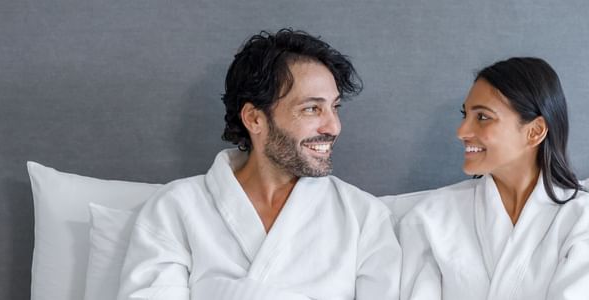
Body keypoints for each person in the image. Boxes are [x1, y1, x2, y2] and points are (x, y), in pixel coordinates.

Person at [117, 29, 400, 300]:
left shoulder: (364, 218)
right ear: (254, 118)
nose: (333, 126)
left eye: (334, 107)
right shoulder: (176, 208)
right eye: (312, 108)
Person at [398, 57, 589, 299]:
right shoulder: (431, 217)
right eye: (464, 115)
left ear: (534, 131)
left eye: (482, 117)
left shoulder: (585, 221)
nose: (461, 131)